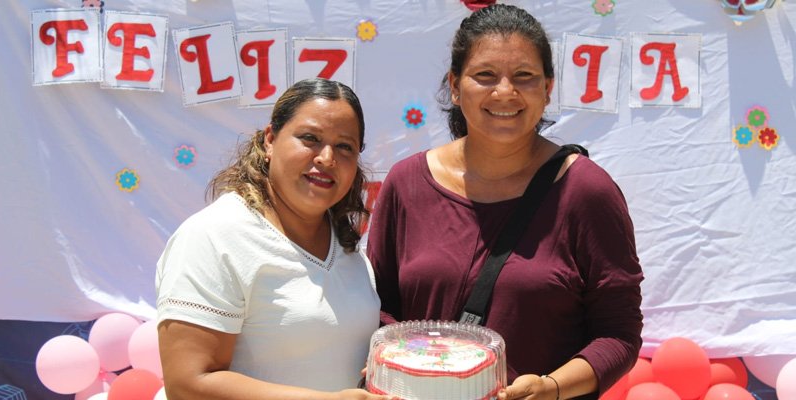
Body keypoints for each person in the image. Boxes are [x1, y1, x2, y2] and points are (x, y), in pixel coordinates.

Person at [366, 4, 643, 400]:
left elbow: (618, 334)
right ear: (456, 85)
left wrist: (552, 387)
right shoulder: (406, 183)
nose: (505, 92)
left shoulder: (586, 191)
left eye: (524, 77)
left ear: (547, 88)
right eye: (485, 75)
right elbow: (380, 311)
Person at [156, 78, 394, 400]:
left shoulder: (348, 246)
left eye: (344, 146)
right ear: (270, 140)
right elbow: (188, 386)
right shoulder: (214, 236)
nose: (327, 158)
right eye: (310, 138)